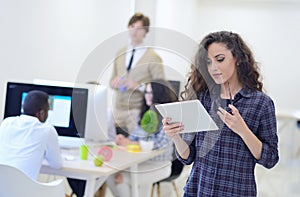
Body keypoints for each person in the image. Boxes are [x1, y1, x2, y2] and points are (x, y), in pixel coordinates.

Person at [162, 31, 279, 196]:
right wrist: (175, 137)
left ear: (238, 59)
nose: (213, 68)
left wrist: (243, 131)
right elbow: (188, 157)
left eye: (220, 59)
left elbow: (270, 158)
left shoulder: (261, 103)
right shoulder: (202, 98)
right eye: (208, 62)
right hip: (198, 190)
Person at [106, 79, 177, 197]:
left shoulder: (169, 116)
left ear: (159, 94)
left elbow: (159, 144)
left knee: (118, 178)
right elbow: (134, 137)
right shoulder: (146, 112)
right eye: (146, 92)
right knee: (111, 175)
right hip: (141, 162)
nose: (147, 96)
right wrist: (123, 140)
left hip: (159, 165)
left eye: (151, 93)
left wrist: (131, 143)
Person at [110, 12, 165, 137]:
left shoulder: (153, 57)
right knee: (115, 144)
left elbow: (161, 88)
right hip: (118, 110)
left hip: (137, 111)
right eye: (132, 26)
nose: (134, 31)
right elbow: (111, 81)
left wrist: (139, 86)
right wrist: (114, 82)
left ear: (145, 32)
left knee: (134, 146)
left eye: (139, 28)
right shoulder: (121, 52)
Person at [0, 90, 62, 180]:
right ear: (41, 113)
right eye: (48, 111)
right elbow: (56, 164)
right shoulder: (47, 130)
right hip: (24, 191)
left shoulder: (7, 122)